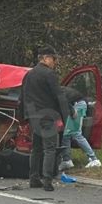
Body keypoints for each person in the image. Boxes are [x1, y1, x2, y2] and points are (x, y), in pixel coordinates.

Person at [18, 45, 71, 191]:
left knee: (36, 148)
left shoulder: (28, 75)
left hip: (33, 116)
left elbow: (22, 97)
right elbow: (59, 96)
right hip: (47, 116)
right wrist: (67, 116)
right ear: (46, 58)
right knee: (50, 148)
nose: (55, 62)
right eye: (54, 59)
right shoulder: (49, 74)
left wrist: (22, 116)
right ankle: (47, 180)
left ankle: (34, 178)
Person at [59, 86, 102, 171]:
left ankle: (94, 159)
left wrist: (72, 112)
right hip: (78, 104)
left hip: (78, 106)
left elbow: (64, 102)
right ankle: (67, 160)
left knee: (76, 133)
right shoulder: (59, 89)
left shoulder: (55, 91)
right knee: (66, 135)